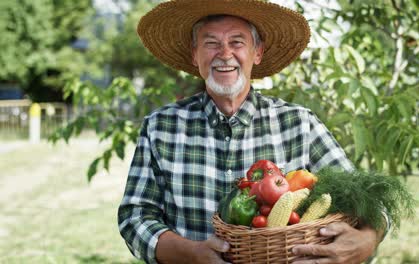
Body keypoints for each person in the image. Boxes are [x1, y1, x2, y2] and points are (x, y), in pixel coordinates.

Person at [118, 0, 389, 263]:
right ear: (194, 54)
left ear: (257, 52)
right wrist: (192, 254)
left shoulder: (299, 124)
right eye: (211, 43)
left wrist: (367, 240)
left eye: (237, 42)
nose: (224, 54)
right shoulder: (160, 127)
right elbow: (135, 217)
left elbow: (367, 200)